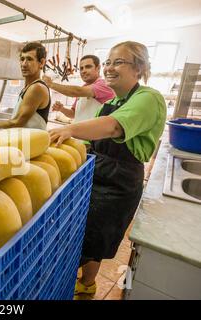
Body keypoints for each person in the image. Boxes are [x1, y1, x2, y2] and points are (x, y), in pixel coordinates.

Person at [48, 41, 167, 299]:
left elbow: (113, 127)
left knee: (96, 238)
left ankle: (86, 287)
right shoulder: (112, 101)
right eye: (109, 62)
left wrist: (69, 129)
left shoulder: (149, 97)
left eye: (119, 62)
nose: (110, 68)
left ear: (139, 68)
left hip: (119, 181)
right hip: (96, 172)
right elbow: (90, 140)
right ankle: (79, 282)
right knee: (83, 234)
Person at [0, 42, 51, 130]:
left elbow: (18, 122)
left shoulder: (37, 88)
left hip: (31, 143)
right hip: (25, 141)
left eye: (29, 59)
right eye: (22, 59)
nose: (24, 64)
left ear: (42, 63)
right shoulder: (28, 88)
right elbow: (16, 120)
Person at [43, 55, 115, 124]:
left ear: (98, 68)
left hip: (96, 135)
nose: (83, 71)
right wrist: (61, 109)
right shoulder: (83, 88)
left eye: (88, 67)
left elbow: (76, 91)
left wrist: (51, 84)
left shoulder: (104, 84)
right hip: (80, 134)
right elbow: (73, 114)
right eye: (81, 68)